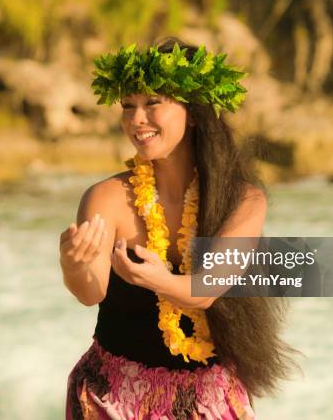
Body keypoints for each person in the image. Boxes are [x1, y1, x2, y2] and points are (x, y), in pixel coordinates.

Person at [59, 37, 297, 419]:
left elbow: (207, 290)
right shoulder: (106, 198)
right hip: (115, 398)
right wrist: (73, 265)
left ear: (194, 112)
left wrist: (157, 279)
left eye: (153, 103)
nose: (137, 120)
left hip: (208, 400)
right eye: (128, 106)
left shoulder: (242, 200)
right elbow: (91, 292)